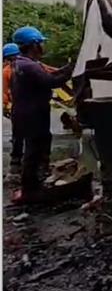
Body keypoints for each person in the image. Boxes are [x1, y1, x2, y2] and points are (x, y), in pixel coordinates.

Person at [10, 26, 73, 203]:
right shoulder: (28, 65)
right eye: (41, 43)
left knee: (39, 147)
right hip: (32, 114)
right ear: (34, 45)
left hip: (29, 112)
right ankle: (29, 191)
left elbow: (49, 74)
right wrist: (70, 71)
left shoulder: (23, 63)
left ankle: (33, 185)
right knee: (33, 151)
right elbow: (50, 81)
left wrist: (66, 68)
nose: (43, 47)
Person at [3, 43, 22, 168]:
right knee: (19, 134)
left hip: (17, 106)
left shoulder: (6, 71)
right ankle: (16, 160)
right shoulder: (6, 72)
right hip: (18, 106)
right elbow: (4, 91)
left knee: (18, 134)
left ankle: (16, 159)